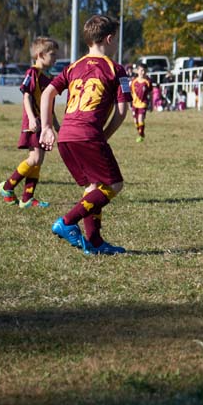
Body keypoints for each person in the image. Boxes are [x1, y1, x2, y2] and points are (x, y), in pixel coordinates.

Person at [39, 15, 129, 255]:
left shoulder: (72, 67)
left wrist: (47, 127)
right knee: (114, 184)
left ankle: (95, 242)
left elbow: (47, 93)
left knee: (93, 187)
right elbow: (122, 111)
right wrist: (104, 135)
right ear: (109, 39)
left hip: (66, 135)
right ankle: (67, 222)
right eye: (116, 39)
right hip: (88, 134)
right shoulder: (116, 69)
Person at [0, 37, 59, 209]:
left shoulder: (49, 77)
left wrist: (56, 124)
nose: (55, 59)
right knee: (34, 158)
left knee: (39, 161)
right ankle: (7, 186)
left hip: (44, 123)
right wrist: (32, 118)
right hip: (35, 123)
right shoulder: (32, 73)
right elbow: (26, 96)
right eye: (52, 55)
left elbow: (49, 105)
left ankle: (27, 198)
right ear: (40, 55)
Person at [130, 64, 153, 142]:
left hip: (143, 104)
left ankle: (141, 136)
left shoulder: (148, 81)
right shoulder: (134, 81)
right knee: (135, 122)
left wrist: (152, 104)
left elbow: (151, 93)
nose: (143, 72)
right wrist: (129, 103)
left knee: (140, 119)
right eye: (141, 70)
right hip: (134, 104)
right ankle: (141, 132)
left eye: (144, 71)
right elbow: (131, 93)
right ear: (137, 71)